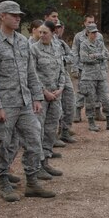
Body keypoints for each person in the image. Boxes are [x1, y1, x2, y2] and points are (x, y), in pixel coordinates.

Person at [0, 1, 55, 199]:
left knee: (34, 139)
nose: (17, 18)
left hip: (24, 102)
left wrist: (36, 97)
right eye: (13, 15)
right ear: (2, 16)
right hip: (5, 104)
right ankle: (2, 179)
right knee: (3, 143)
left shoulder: (23, 41)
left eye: (19, 15)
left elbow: (30, 72)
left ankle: (32, 181)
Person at [30, 22, 65, 177]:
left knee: (51, 129)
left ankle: (46, 161)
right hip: (41, 97)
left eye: (45, 32)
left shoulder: (57, 48)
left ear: (52, 33)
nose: (42, 35)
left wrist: (61, 88)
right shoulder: (34, 49)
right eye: (40, 32)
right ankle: (37, 165)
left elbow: (62, 70)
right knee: (39, 130)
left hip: (56, 95)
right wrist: (44, 92)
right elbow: (32, 74)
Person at [77, 24, 109, 131]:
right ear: (87, 33)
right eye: (92, 32)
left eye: (96, 32)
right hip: (88, 77)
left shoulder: (100, 43)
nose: (95, 34)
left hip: (101, 76)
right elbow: (84, 59)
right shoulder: (84, 44)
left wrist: (95, 56)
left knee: (107, 99)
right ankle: (91, 122)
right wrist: (99, 57)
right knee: (90, 100)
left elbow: (107, 55)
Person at [49, 12, 77, 144]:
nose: (58, 26)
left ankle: (65, 132)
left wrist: (61, 60)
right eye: (54, 18)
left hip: (63, 75)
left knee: (70, 103)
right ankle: (51, 137)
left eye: (59, 25)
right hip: (49, 77)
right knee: (53, 108)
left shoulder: (58, 41)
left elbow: (71, 56)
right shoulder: (40, 37)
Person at [72, 15, 105, 122]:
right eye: (89, 22)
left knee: (97, 91)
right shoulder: (78, 36)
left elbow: (104, 53)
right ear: (84, 23)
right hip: (83, 69)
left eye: (93, 22)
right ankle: (77, 112)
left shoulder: (99, 36)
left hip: (98, 69)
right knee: (82, 91)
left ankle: (97, 112)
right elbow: (75, 53)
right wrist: (74, 68)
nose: (91, 24)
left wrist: (97, 58)